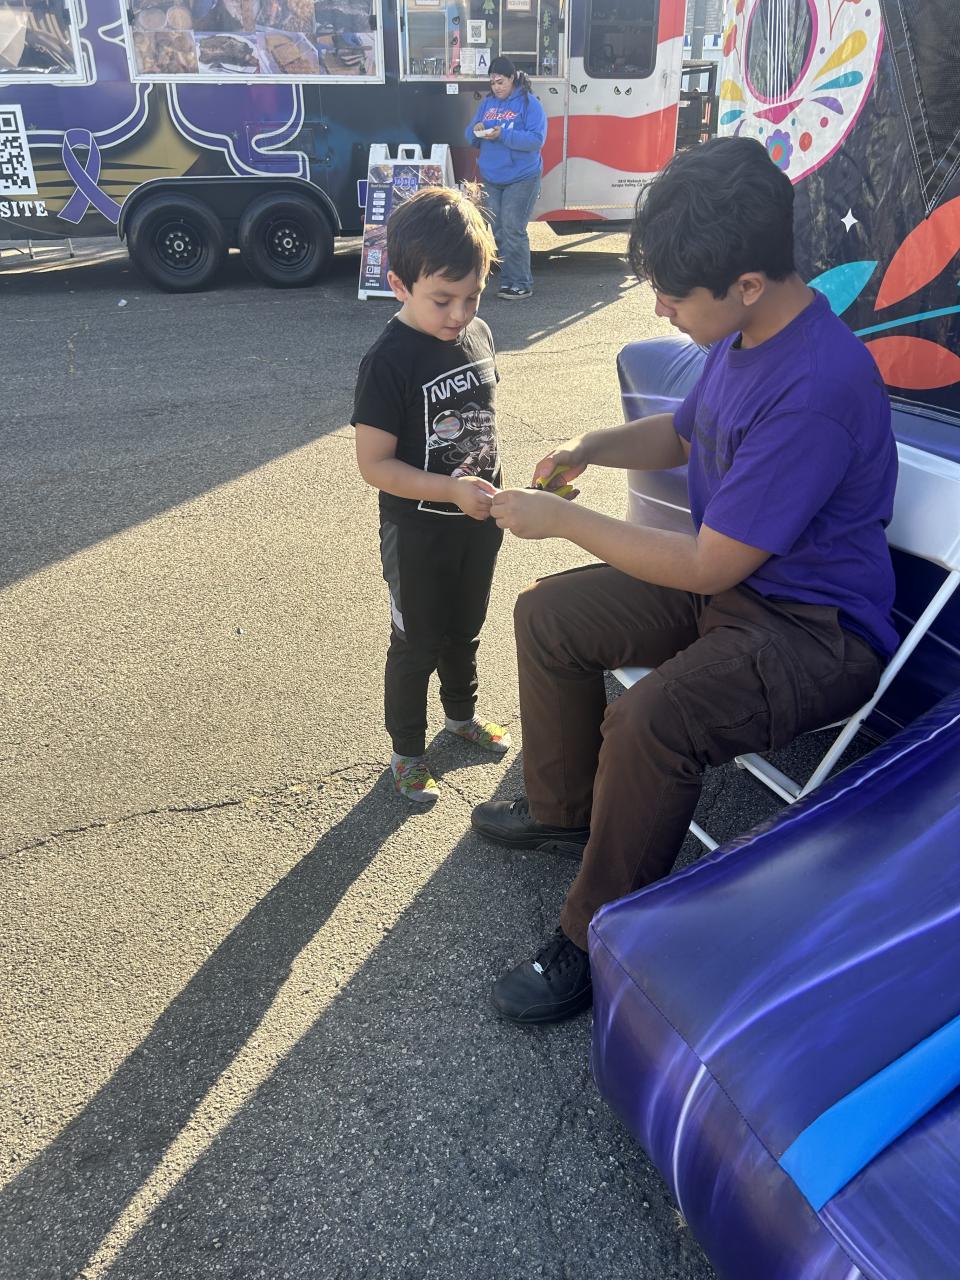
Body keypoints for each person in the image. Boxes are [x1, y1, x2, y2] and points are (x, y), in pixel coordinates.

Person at [471, 136, 899, 1024]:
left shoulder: (818, 384)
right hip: (735, 590)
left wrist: (563, 519)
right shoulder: (745, 334)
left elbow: (708, 561)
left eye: (672, 293)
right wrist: (592, 445)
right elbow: (680, 434)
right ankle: (567, 812)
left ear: (747, 282)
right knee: (550, 616)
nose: (659, 306)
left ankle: (594, 936)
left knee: (651, 720)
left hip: (811, 633)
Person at [353, 186, 512, 804]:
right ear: (399, 285)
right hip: (418, 533)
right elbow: (374, 465)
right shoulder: (388, 362)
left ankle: (460, 717)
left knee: (465, 630)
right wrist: (449, 488)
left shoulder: (479, 334)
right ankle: (407, 752)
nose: (459, 314)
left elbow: (480, 423)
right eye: (442, 299)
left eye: (473, 296)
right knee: (416, 642)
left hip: (477, 524)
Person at [466, 56, 547, 301]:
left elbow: (536, 140)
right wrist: (476, 130)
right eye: (492, 83)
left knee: (513, 228)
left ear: (512, 78)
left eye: (500, 82)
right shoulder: (488, 104)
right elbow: (470, 135)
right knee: (499, 230)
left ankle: (521, 283)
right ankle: (508, 282)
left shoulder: (530, 103)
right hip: (492, 177)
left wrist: (503, 135)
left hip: (522, 177)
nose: (496, 87)